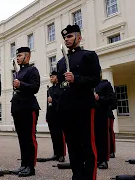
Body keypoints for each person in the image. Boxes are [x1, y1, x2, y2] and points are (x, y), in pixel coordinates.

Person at [57, 24, 101, 180]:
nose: (67, 39)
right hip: (66, 108)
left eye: (69, 36)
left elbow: (96, 79)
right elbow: (61, 86)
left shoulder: (88, 55)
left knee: (87, 146)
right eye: (65, 37)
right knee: (72, 146)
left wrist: (77, 79)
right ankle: (77, 176)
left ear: (79, 37)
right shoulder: (61, 62)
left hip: (83, 106)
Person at [11, 47, 40, 177]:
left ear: (27, 57)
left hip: (29, 108)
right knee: (22, 139)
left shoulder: (32, 70)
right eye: (16, 56)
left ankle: (30, 167)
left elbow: (35, 87)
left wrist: (20, 84)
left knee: (29, 138)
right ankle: (24, 164)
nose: (17, 57)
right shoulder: (18, 73)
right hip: (18, 108)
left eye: (20, 55)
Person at [94, 77, 117, 169]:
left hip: (102, 114)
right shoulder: (87, 86)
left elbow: (112, 100)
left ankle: (103, 160)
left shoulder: (105, 84)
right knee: (93, 139)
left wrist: (99, 98)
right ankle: (95, 159)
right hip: (90, 115)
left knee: (103, 137)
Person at [46, 71, 66, 162]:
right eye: (50, 77)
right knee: (53, 135)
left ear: (57, 77)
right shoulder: (49, 90)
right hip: (51, 115)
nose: (51, 78)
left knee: (59, 135)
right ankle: (56, 153)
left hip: (59, 115)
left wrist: (53, 101)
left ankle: (61, 154)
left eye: (53, 76)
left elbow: (62, 102)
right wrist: (47, 115)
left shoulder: (61, 88)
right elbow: (47, 104)